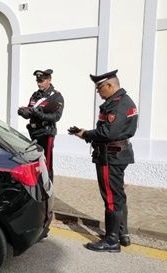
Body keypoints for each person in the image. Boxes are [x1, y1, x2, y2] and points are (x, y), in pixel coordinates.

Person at [69, 69, 138, 252]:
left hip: (110, 156)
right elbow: (111, 129)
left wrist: (86, 134)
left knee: (111, 198)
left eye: (100, 88)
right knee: (118, 195)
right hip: (116, 154)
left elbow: (109, 132)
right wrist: (85, 133)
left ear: (110, 85)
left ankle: (111, 241)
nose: (98, 92)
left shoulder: (117, 105)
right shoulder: (122, 101)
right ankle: (122, 234)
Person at [18, 69, 64, 182]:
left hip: (46, 133)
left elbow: (56, 117)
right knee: (36, 162)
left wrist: (39, 114)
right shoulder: (36, 95)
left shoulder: (56, 97)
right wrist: (24, 113)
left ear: (49, 80)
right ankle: (39, 186)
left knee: (46, 164)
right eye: (37, 81)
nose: (39, 83)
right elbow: (30, 111)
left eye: (41, 81)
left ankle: (47, 191)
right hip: (34, 132)